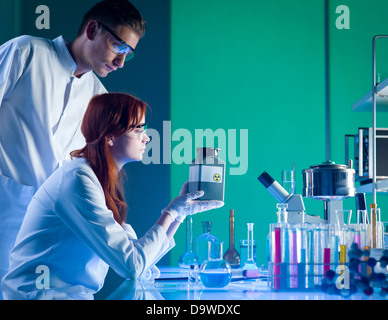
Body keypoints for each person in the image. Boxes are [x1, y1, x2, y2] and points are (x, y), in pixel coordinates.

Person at [1, 93, 224, 300]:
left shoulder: (99, 180)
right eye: (138, 130)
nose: (146, 138)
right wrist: (171, 211)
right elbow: (132, 265)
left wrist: (179, 215)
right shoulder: (77, 181)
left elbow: (139, 257)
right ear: (110, 137)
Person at [0, 0, 146, 293]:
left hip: (47, 231)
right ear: (92, 29)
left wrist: (128, 239)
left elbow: (93, 172)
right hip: (6, 207)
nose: (120, 62)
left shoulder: (97, 97)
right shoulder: (26, 52)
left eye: (127, 55)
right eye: (118, 47)